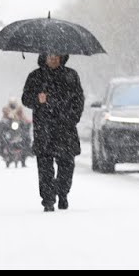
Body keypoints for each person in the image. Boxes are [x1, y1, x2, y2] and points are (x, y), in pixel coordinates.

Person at [22, 54, 84, 212]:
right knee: (44, 167)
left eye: (57, 55)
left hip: (66, 128)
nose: (54, 58)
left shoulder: (71, 75)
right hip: (44, 129)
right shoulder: (35, 76)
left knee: (66, 164)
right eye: (50, 55)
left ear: (62, 57)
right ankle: (48, 200)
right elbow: (26, 99)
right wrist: (38, 99)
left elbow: (79, 99)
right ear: (44, 57)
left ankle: (62, 192)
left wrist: (72, 118)